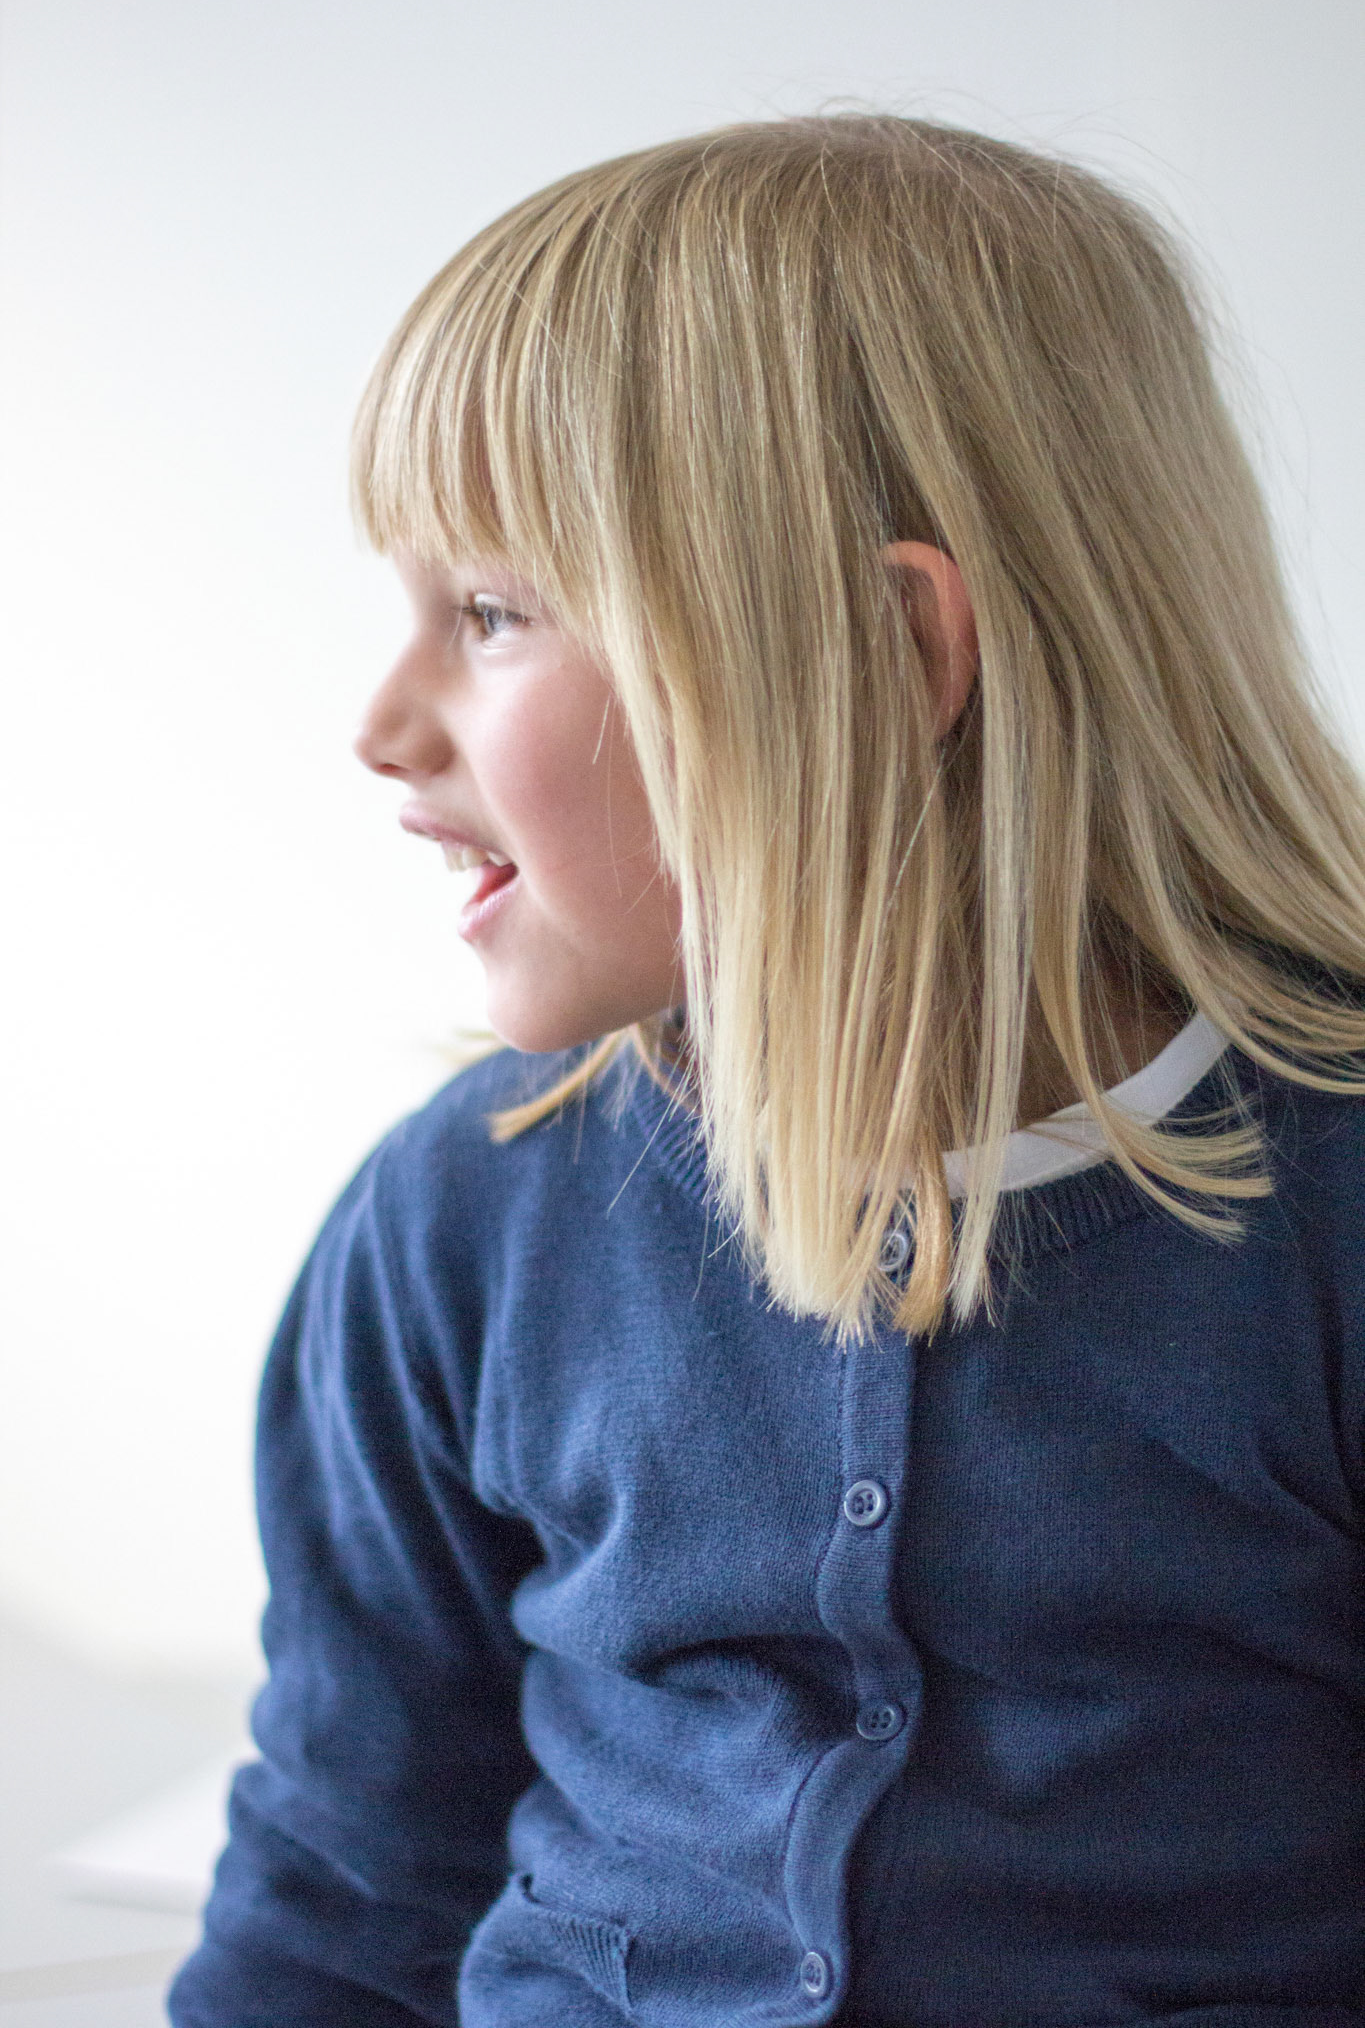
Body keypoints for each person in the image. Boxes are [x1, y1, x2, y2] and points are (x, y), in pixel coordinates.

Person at [168, 114, 1365, 2027]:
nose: (382, 724)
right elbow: (343, 1883)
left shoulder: (1326, 1207)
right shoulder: (459, 1216)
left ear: (888, 652)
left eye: (491, 613)